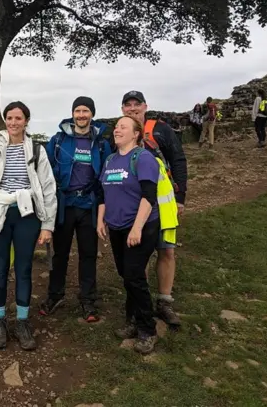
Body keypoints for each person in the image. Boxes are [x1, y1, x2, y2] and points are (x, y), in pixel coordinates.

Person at [0, 101, 57, 350]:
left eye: (18, 118)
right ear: (5, 120)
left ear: (26, 120)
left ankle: (22, 322)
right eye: (9, 118)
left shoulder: (36, 150)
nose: (13, 123)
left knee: (23, 268)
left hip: (27, 213)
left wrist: (47, 225)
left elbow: (49, 187)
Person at [39, 96, 112, 322]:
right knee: (59, 254)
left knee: (88, 254)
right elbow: (46, 169)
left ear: (92, 114)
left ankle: (88, 301)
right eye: (78, 111)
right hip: (64, 205)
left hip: (89, 205)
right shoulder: (58, 140)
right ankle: (55, 295)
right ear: (73, 114)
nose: (81, 115)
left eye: (85, 111)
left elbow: (107, 175)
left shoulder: (101, 143)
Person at [121, 90, 187, 327]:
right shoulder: (120, 133)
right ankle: (141, 301)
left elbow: (178, 159)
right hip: (135, 205)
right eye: (127, 105)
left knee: (166, 251)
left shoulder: (161, 130)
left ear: (145, 106)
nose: (132, 108)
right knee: (139, 256)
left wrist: (180, 197)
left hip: (163, 203)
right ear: (122, 110)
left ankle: (164, 301)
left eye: (136, 104)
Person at [97, 115, 160, 354]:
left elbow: (149, 196)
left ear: (136, 134)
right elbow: (103, 193)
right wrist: (100, 220)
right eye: (116, 127)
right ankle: (133, 320)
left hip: (141, 227)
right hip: (117, 226)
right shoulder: (111, 159)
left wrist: (137, 228)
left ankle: (148, 329)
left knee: (134, 276)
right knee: (127, 275)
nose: (117, 130)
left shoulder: (143, 158)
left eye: (123, 127)